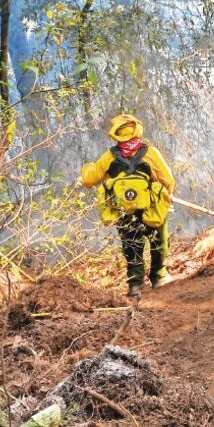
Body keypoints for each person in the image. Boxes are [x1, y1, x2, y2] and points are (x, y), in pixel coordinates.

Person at [81, 113, 175, 297]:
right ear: (137, 130)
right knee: (159, 239)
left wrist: (87, 167)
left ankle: (136, 284)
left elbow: (88, 180)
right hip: (151, 208)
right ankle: (159, 276)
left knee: (131, 244)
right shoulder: (150, 153)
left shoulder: (108, 157)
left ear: (116, 134)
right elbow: (168, 180)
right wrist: (168, 195)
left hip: (124, 211)